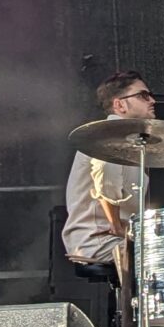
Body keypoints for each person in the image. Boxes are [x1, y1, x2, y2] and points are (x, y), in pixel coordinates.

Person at [64, 69, 155, 267]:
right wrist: (116, 225)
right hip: (98, 241)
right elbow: (106, 179)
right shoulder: (109, 135)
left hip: (116, 239)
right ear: (119, 105)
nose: (152, 101)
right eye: (143, 95)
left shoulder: (129, 141)